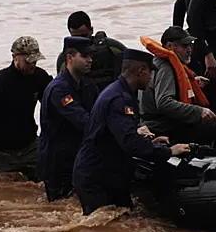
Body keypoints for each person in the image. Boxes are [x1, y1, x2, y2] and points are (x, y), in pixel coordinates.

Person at [73, 49, 191, 216]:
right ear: (141, 71)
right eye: (150, 73)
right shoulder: (120, 99)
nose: (151, 79)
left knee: (121, 224)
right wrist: (169, 151)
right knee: (103, 229)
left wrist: (150, 143)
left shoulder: (119, 92)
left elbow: (121, 135)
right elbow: (130, 143)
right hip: (98, 177)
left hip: (109, 172)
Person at [0, 37, 52, 179]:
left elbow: (53, 106)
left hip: (30, 148)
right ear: (15, 57)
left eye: (35, 61)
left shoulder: (39, 77)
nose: (32, 65)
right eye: (28, 61)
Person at [139, 26, 216, 147]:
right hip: (162, 126)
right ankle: (210, 158)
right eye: (184, 46)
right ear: (170, 46)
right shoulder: (166, 68)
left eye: (190, 45)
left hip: (157, 122)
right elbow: (164, 102)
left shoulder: (157, 63)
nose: (189, 50)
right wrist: (199, 111)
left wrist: (192, 82)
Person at [38, 37, 99, 202]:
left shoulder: (88, 84)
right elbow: (84, 120)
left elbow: (99, 113)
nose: (90, 60)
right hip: (57, 161)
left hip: (78, 156)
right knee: (60, 205)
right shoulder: (59, 89)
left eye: (91, 56)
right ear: (70, 57)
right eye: (85, 56)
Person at [55, 11, 126, 92]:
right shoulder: (65, 58)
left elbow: (133, 67)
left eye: (83, 36)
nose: (80, 41)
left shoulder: (111, 46)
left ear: (91, 30)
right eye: (75, 37)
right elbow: (62, 86)